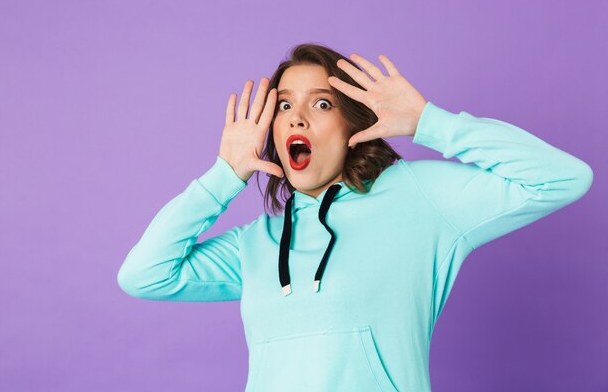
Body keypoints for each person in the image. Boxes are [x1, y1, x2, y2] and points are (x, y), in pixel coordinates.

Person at [117, 43, 593, 392]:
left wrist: (428, 122)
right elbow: (144, 275)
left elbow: (562, 178)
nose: (297, 118)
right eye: (285, 105)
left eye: (321, 103)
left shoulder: (417, 197)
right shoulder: (256, 243)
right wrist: (224, 177)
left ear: (354, 124)